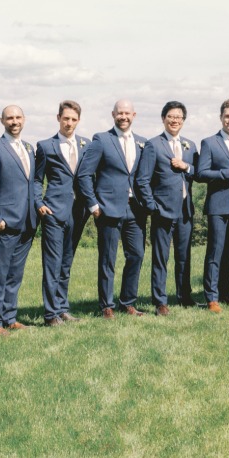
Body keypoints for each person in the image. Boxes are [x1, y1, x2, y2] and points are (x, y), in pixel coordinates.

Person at [76, 99, 147, 318]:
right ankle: (106, 305)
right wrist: (93, 205)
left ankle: (128, 302)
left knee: (136, 255)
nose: (123, 117)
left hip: (135, 209)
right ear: (113, 114)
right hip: (107, 209)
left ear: (134, 115)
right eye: (119, 113)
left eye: (127, 113)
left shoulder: (142, 143)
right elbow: (84, 174)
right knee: (108, 258)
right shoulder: (102, 140)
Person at [135, 100, 199, 315]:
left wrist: (187, 166)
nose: (175, 120)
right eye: (171, 116)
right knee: (160, 257)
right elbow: (142, 180)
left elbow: (197, 172)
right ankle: (160, 301)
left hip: (185, 210)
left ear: (183, 121)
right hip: (162, 210)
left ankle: (184, 296)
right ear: (163, 119)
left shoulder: (190, 145)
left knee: (184, 256)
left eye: (179, 117)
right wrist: (153, 207)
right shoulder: (153, 145)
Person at [0, 105, 41, 334]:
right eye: (9, 118)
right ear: (2, 121)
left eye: (17, 117)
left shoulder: (28, 147)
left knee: (16, 273)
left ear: (24, 119)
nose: (14, 121)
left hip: (27, 221)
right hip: (5, 222)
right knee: (0, 273)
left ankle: (10, 316)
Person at [34, 100, 90, 325]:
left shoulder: (87, 144)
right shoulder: (46, 146)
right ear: (58, 118)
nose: (69, 123)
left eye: (73, 119)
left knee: (67, 262)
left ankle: (62, 307)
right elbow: (37, 179)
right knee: (52, 263)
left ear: (78, 121)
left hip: (78, 212)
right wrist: (38, 202)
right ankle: (50, 314)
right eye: (65, 118)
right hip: (53, 212)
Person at [196, 100, 229, 312]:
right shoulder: (209, 142)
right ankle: (211, 298)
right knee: (215, 251)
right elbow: (201, 173)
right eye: (227, 116)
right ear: (221, 118)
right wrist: (228, 173)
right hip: (218, 205)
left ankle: (225, 294)